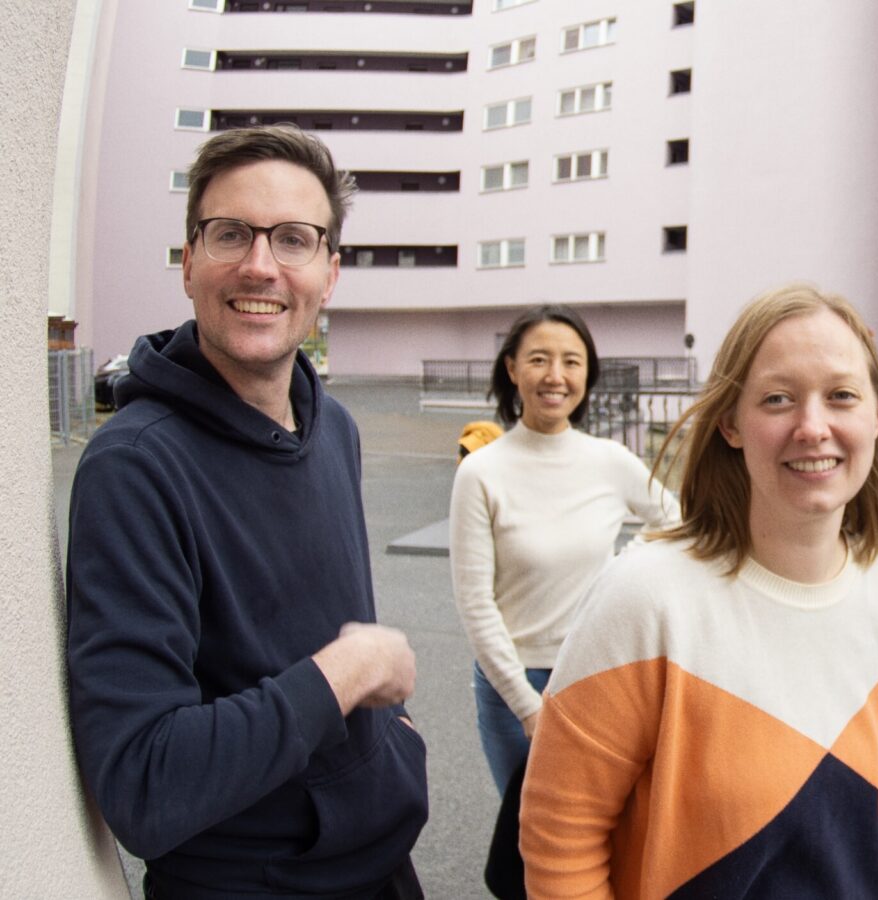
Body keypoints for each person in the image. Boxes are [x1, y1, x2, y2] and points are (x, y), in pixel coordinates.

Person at [66, 124, 428, 897]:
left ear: (329, 273)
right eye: (231, 233)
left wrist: (386, 747)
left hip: (381, 864)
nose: (260, 265)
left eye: (293, 239)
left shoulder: (334, 427)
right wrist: (350, 671)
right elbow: (144, 782)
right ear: (189, 259)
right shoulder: (134, 469)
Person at [519, 285, 878, 899]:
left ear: (876, 414)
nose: (813, 427)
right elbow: (561, 835)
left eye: (841, 395)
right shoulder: (645, 597)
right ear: (730, 422)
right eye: (778, 399)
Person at [449, 304, 679, 797]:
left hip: (597, 668)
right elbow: (475, 603)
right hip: (512, 684)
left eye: (571, 362)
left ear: (587, 374)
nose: (556, 376)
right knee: (525, 839)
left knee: (598, 826)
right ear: (512, 368)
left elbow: (678, 521)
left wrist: (623, 565)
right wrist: (525, 703)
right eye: (539, 360)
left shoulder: (610, 461)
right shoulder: (481, 473)